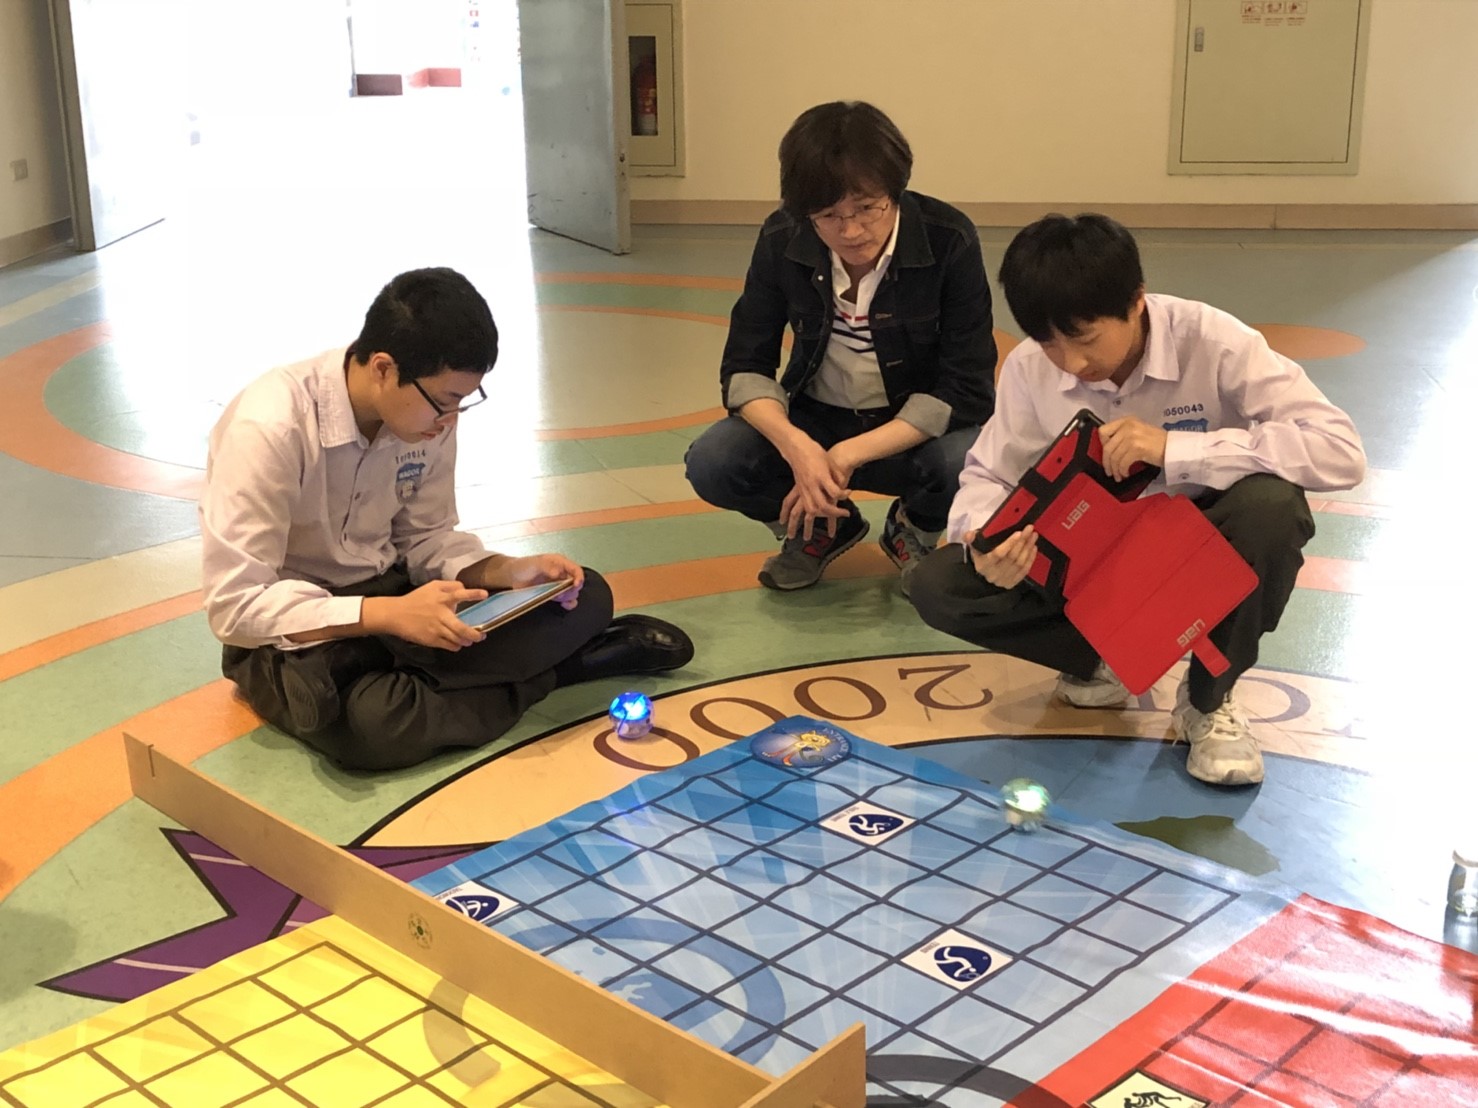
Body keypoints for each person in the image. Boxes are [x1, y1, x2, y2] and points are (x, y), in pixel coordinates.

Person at [910, 213, 1366, 786]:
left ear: (1136, 301)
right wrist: (983, 540)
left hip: (1197, 544)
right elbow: (989, 473)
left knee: (1273, 507)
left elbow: (1340, 451)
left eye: (1085, 339)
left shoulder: (1214, 341)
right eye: (1049, 343)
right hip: (1089, 559)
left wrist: (1180, 449)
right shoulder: (1029, 368)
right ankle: (1102, 659)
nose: (1072, 363)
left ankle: (1208, 700)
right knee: (940, 583)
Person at [200, 267, 694, 772]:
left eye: (462, 401)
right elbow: (236, 606)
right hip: (296, 632)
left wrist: (508, 572)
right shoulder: (269, 427)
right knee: (378, 728)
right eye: (444, 401)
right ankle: (560, 670)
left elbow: (426, 537)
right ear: (383, 368)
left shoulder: (422, 418)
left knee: (585, 594)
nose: (450, 420)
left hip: (400, 598)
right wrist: (386, 616)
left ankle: (414, 683)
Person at [684, 101, 997, 596]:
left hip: (910, 432)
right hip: (816, 416)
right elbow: (746, 365)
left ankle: (912, 528)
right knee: (715, 461)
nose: (850, 231)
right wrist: (798, 446)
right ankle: (822, 528)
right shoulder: (782, 236)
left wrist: (847, 454)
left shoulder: (948, 239)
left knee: (968, 459)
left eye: (868, 208)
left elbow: (966, 387)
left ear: (896, 191)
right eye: (828, 215)